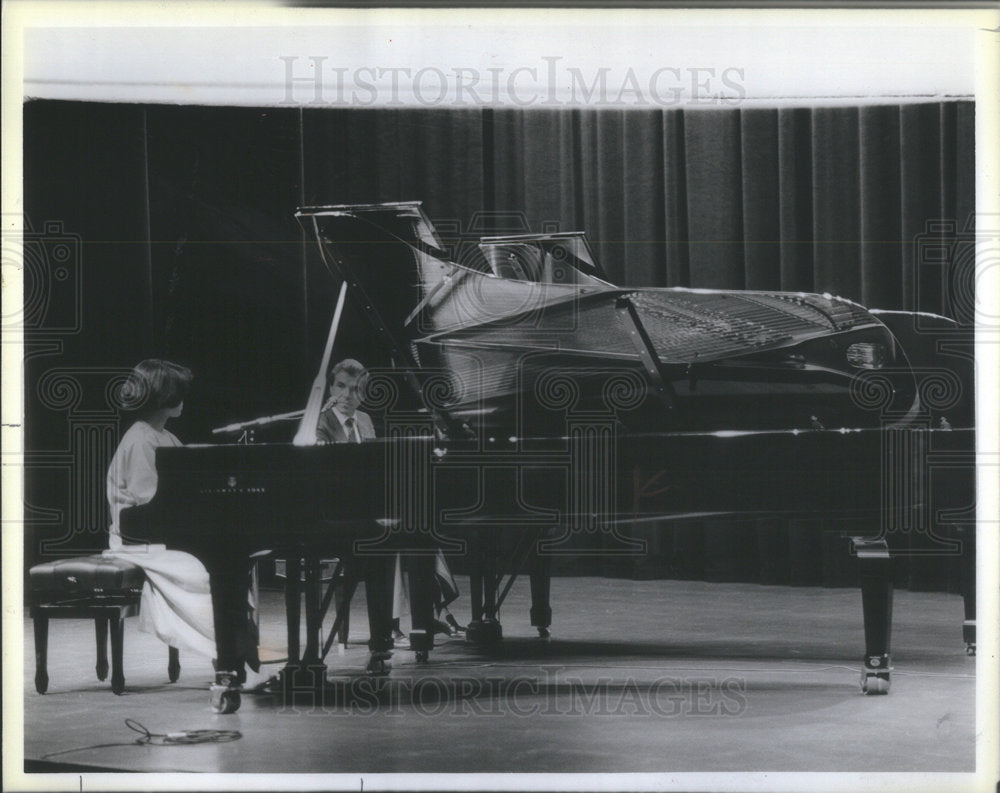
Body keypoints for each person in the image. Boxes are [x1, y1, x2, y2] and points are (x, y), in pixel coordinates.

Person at [105, 359, 262, 682]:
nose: (183, 399)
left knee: (228, 568)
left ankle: (231, 651)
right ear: (164, 396)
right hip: (139, 540)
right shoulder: (141, 440)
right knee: (205, 574)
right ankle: (223, 653)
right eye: (177, 392)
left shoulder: (165, 437)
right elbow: (150, 503)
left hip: (162, 533)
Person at [317, 358, 463, 648]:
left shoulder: (365, 420)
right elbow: (326, 473)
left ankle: (416, 620)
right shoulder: (320, 422)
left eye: (355, 389)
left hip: (368, 504)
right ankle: (429, 612)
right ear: (331, 388)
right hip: (338, 511)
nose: (347, 396)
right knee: (399, 533)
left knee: (416, 529)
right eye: (341, 387)